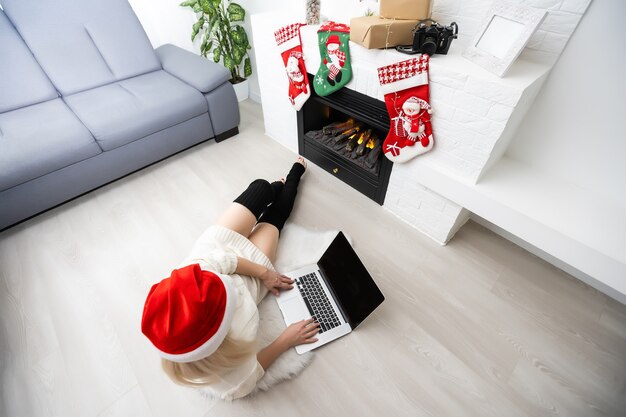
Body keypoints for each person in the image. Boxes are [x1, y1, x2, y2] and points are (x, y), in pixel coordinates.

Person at [141, 157, 319, 400]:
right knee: (275, 218)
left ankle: (276, 185)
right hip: (250, 282)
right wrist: (286, 340)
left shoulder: (188, 280)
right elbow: (254, 371)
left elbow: (223, 260)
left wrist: (265, 273)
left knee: (260, 188)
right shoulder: (231, 380)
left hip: (218, 246)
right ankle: (295, 173)